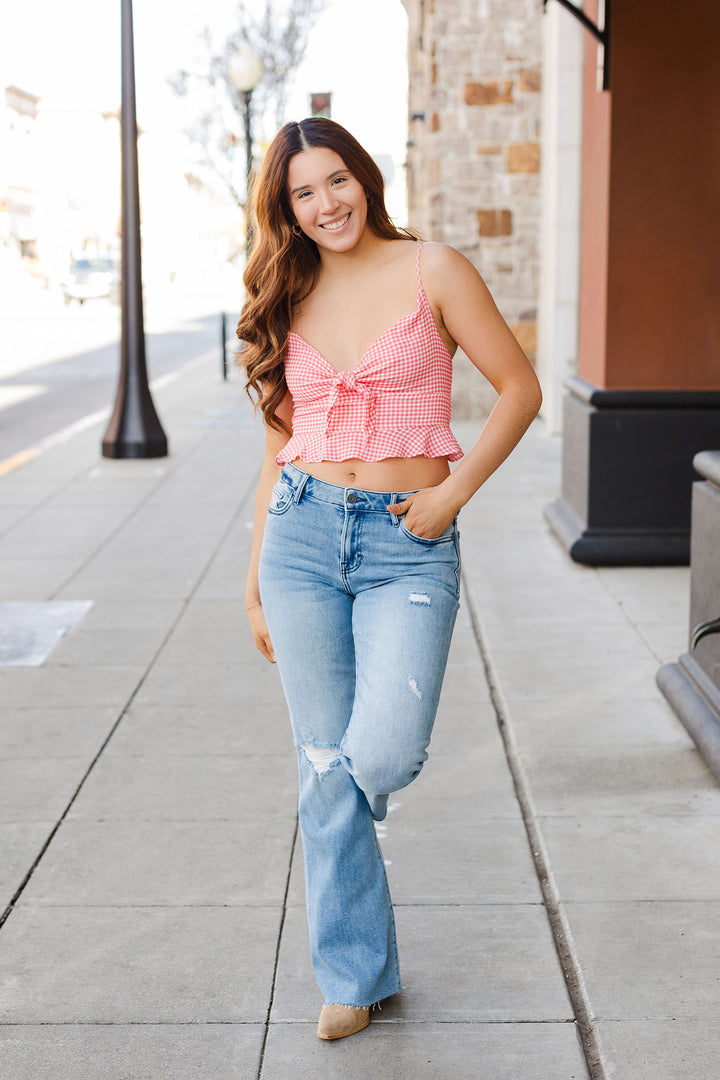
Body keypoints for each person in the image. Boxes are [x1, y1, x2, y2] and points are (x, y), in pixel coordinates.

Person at [237, 117, 542, 1041]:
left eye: (338, 181)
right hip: (301, 536)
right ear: (285, 208)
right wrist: (254, 579)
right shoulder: (286, 291)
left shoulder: (432, 270)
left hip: (410, 536)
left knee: (376, 756)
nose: (326, 204)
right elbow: (278, 444)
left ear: (364, 179)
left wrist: (453, 493)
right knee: (319, 763)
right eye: (303, 193)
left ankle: (354, 910)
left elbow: (519, 388)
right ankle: (354, 973)